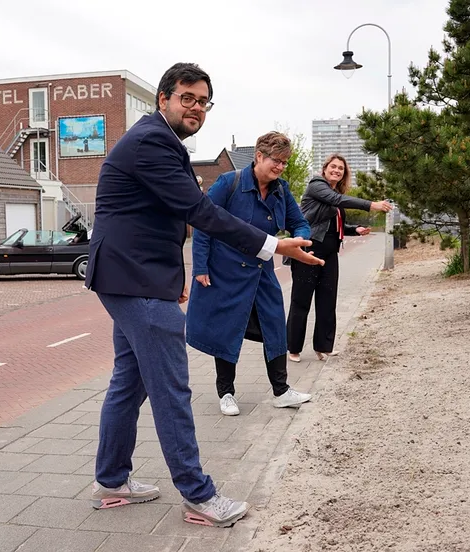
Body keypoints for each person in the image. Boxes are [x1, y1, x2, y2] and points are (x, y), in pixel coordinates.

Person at [85, 62, 323, 528]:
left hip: (131, 276)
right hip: (133, 279)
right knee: (172, 388)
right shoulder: (153, 141)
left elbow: (160, 218)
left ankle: (111, 481)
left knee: (129, 381)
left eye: (203, 101)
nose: (196, 108)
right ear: (163, 99)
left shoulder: (160, 141)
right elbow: (199, 212)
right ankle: (199, 497)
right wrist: (273, 245)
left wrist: (172, 279)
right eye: (187, 98)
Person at [187, 132, 313, 417]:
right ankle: (226, 393)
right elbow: (205, 222)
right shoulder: (228, 183)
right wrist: (201, 266)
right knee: (226, 329)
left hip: (261, 271)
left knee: (275, 326)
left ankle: (281, 391)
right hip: (227, 272)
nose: (281, 167)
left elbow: (299, 221)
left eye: (284, 162)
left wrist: (300, 239)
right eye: (276, 160)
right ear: (259, 156)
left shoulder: (281, 190)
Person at [286, 154, 392, 363]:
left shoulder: (335, 194)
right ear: (325, 169)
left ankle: (323, 346)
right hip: (309, 249)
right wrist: (371, 204)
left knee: (327, 300)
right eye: (333, 167)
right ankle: (293, 348)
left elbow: (333, 225)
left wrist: (354, 229)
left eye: (341, 169)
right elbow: (333, 204)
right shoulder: (317, 185)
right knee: (301, 300)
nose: (336, 170)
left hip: (330, 253)